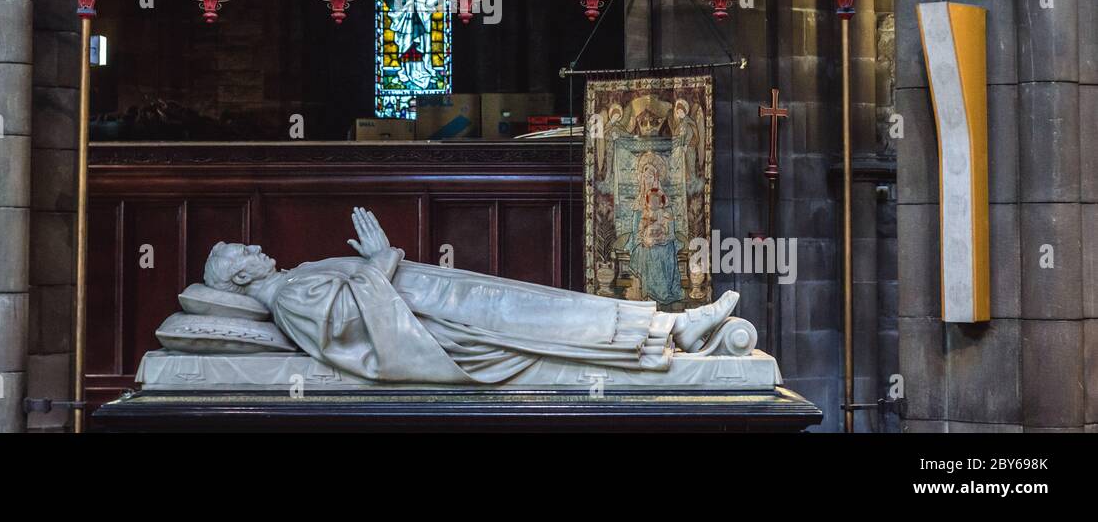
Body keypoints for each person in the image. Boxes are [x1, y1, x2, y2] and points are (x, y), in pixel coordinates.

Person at [202, 207, 740, 384]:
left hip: (435, 297)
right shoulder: (288, 298)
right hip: (435, 322)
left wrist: (380, 263)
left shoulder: (293, 278)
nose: (252, 247)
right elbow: (349, 320)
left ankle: (670, 325)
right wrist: (380, 257)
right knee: (546, 317)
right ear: (240, 280)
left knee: (545, 303)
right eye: (240, 253)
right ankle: (669, 331)